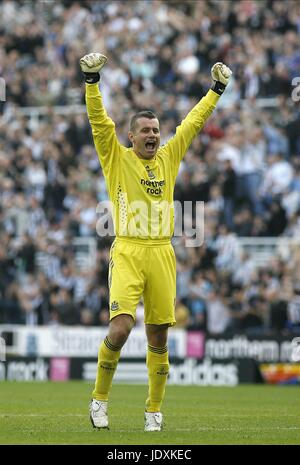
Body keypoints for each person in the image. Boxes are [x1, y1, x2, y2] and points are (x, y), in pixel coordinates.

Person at [80, 52, 232, 432]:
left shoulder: (169, 157)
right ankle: (99, 401)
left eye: (156, 130)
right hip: (129, 249)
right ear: (131, 136)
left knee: (159, 336)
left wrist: (216, 90)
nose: (153, 135)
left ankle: (154, 411)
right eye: (145, 131)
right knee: (120, 328)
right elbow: (100, 123)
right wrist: (92, 81)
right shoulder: (116, 157)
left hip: (162, 251)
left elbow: (193, 124)